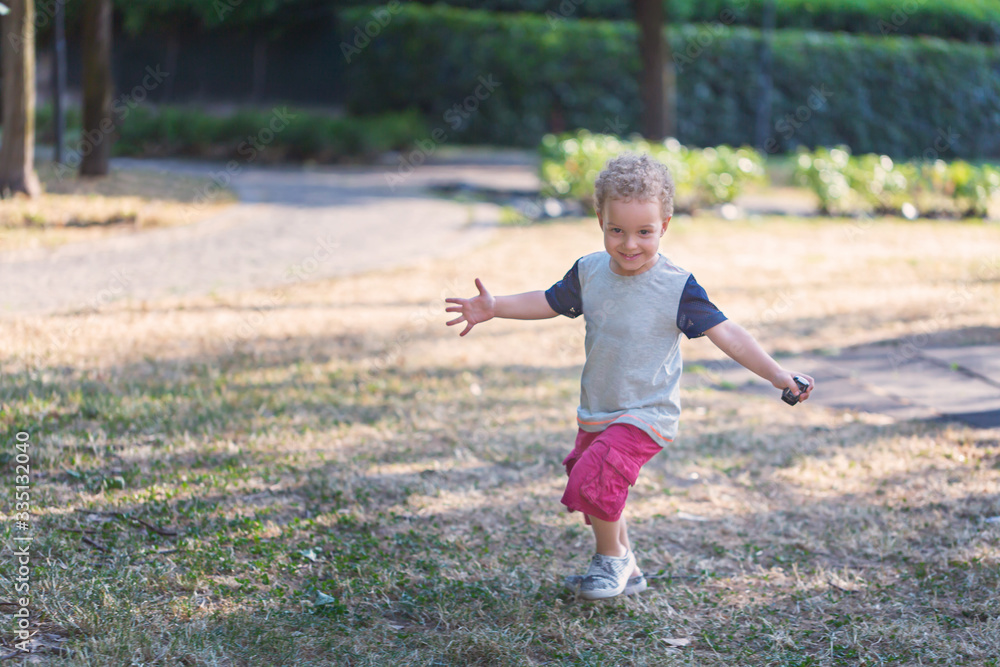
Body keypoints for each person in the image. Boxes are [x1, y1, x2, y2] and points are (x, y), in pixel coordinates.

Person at [444, 152, 814, 601]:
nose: (630, 244)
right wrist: (495, 306)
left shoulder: (676, 286)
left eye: (644, 232)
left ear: (665, 226)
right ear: (600, 221)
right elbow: (548, 301)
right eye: (616, 230)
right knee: (590, 478)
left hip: (647, 412)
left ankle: (610, 560)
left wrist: (776, 374)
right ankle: (629, 568)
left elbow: (728, 333)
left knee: (599, 474)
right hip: (598, 407)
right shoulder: (589, 271)